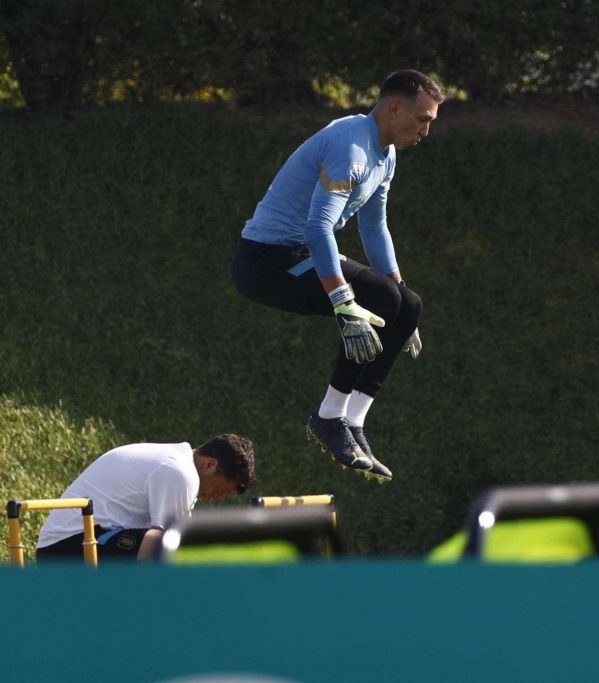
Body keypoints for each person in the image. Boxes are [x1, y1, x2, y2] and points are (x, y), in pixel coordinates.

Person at [231, 69, 445, 483]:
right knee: (383, 298)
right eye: (424, 120)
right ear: (395, 108)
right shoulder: (351, 147)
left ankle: (354, 423)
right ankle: (329, 417)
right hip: (265, 262)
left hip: (302, 252)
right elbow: (318, 228)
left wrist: (402, 301)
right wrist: (344, 303)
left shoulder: (386, 154)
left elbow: (373, 228)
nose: (427, 131)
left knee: (407, 303)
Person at [35, 434, 256, 562]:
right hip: (68, 549)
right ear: (210, 465)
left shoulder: (175, 458)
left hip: (71, 544)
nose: (212, 498)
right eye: (218, 491)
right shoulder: (181, 472)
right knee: (168, 544)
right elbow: (171, 545)